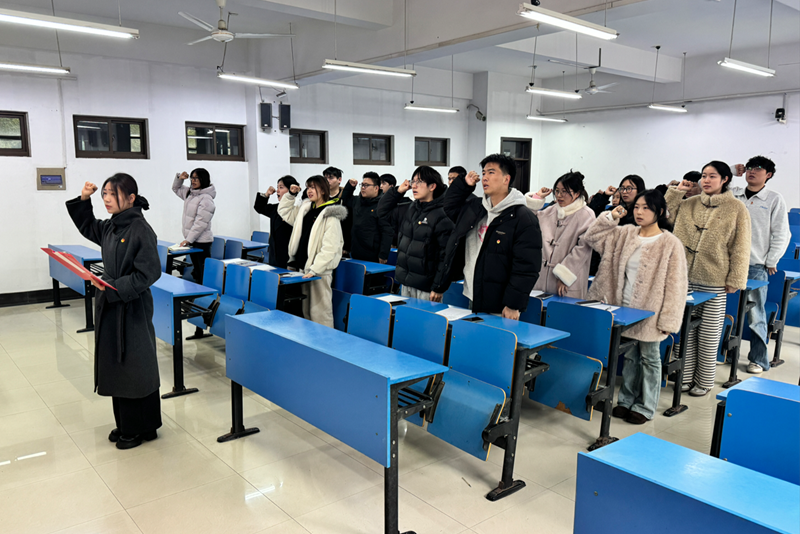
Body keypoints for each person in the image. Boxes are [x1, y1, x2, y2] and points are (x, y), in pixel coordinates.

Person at [66, 175, 162, 450]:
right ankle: (129, 424)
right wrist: (84, 199)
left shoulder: (140, 229)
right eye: (104, 194)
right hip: (112, 303)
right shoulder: (111, 226)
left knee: (135, 365)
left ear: (131, 198)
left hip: (132, 306)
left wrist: (114, 288)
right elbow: (88, 225)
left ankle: (139, 428)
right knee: (117, 364)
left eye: (113, 194)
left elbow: (149, 273)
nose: (107, 199)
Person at [585, 191, 687, 424]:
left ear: (660, 212)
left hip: (652, 311)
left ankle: (646, 406)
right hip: (624, 309)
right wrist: (611, 217)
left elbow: (676, 285)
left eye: (646, 208)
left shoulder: (670, 243)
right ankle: (626, 400)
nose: (640, 212)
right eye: (637, 207)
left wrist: (669, 319)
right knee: (630, 356)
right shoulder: (625, 233)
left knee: (650, 358)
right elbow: (592, 237)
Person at [665, 161, 751, 397]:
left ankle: (704, 380)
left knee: (709, 334)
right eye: (704, 176)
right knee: (685, 333)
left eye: (712, 176)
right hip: (684, 277)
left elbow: (741, 247)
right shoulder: (689, 203)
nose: (706, 180)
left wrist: (735, 279)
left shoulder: (736, 208)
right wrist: (676, 192)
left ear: (725, 179)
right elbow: (665, 216)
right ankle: (684, 377)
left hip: (714, 280)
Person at [442, 154, 542, 318]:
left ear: (506, 179)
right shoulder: (476, 208)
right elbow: (450, 207)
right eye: (483, 173)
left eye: (491, 172)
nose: (485, 178)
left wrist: (513, 304)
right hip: (473, 294)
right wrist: (464, 185)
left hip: (500, 304)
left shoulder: (523, 218)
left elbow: (526, 267)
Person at [730, 156, 791, 374]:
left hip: (755, 265)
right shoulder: (733, 193)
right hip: (727, 263)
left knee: (755, 314)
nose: (752, 171)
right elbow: (703, 185)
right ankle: (724, 353)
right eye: (749, 168)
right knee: (725, 311)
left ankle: (758, 359)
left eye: (758, 168)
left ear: (768, 175)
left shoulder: (773, 199)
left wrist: (772, 260)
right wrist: (731, 170)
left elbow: (782, 233)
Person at [278, 176, 347, 327]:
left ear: (323, 190)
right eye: (308, 187)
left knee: (320, 313)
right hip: (304, 268)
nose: (309, 191)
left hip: (319, 271)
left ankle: (326, 340)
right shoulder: (307, 209)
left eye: (313, 187)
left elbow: (330, 248)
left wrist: (316, 269)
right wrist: (290, 195)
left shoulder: (330, 215)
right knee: (307, 313)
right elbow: (284, 212)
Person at [378, 166, 454, 301]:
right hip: (406, 281)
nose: (414, 186)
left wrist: (438, 286)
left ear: (432, 186)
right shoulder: (412, 208)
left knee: (425, 315)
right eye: (413, 181)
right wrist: (398, 191)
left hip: (427, 286)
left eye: (419, 182)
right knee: (406, 314)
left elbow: (446, 255)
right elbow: (382, 212)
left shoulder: (443, 214)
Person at [525, 171, 596, 298]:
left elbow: (582, 250)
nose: (559, 195)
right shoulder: (550, 211)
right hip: (541, 283)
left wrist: (564, 275)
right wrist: (536, 198)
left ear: (577, 193)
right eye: (557, 191)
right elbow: (528, 222)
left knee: (563, 309)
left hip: (568, 283)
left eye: (565, 191)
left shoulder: (587, 215)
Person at [588, 175, 646, 275]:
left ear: (639, 190)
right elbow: (592, 215)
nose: (624, 192)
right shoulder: (616, 211)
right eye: (622, 188)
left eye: (629, 188)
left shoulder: (643, 215)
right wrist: (605, 195)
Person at [172, 168, 216, 283]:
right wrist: (179, 178)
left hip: (202, 242)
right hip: (193, 240)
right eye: (192, 178)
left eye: (196, 178)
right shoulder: (190, 193)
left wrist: (188, 239)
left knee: (203, 273)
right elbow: (176, 188)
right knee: (196, 271)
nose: (193, 180)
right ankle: (199, 291)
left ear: (203, 179)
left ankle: (207, 292)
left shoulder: (206, 199)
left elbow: (200, 223)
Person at [341, 172, 393, 263]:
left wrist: (383, 255)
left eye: (366, 185)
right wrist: (350, 186)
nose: (363, 188)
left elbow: (387, 232)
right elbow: (345, 199)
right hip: (355, 251)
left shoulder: (382, 205)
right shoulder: (357, 201)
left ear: (376, 188)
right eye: (362, 185)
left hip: (373, 254)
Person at [253, 175, 299, 268]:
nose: (277, 190)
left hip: (288, 255)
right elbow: (259, 207)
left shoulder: (296, 209)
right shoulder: (276, 208)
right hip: (274, 255)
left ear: (291, 190)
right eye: (277, 187)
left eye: (281, 187)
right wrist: (267, 194)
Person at [323, 166, 351, 255]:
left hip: (341, 241)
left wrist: (346, 246)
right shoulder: (321, 198)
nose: (327, 181)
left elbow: (348, 224)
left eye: (331, 178)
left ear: (339, 180)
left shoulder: (345, 197)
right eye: (325, 178)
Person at [380, 173, 411, 247]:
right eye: (380, 183)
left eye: (384, 184)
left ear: (391, 186)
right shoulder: (379, 201)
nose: (381, 186)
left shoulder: (402, 203)